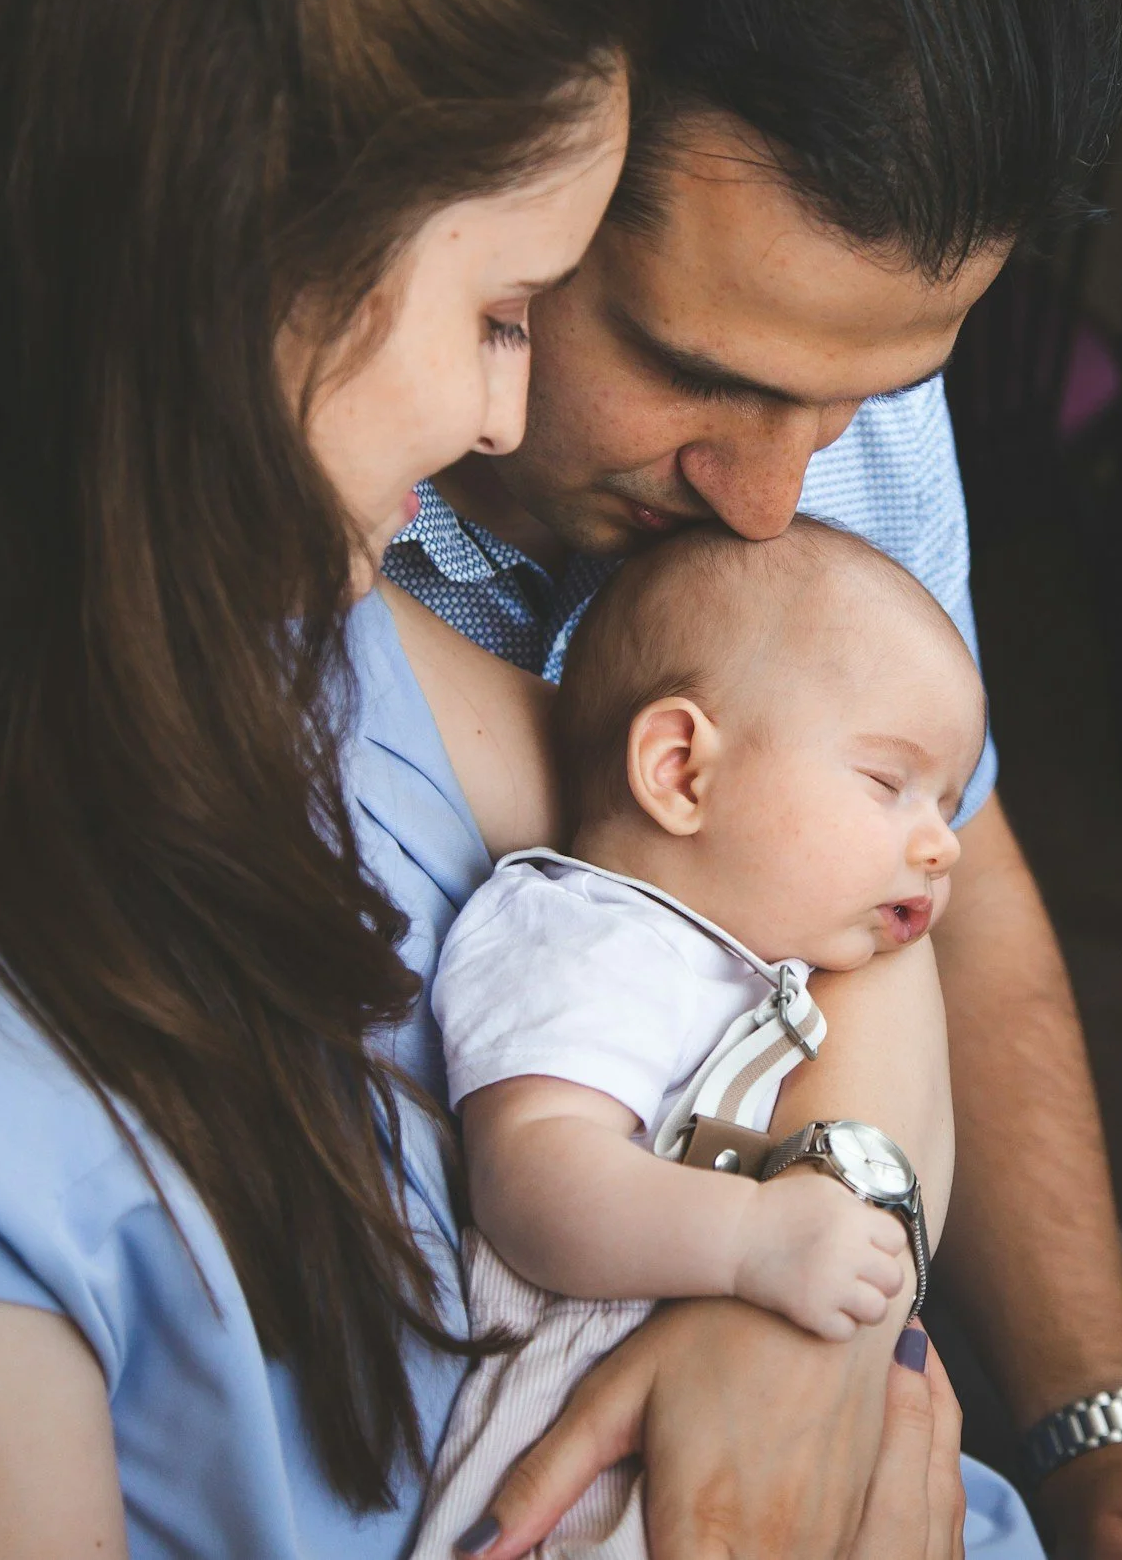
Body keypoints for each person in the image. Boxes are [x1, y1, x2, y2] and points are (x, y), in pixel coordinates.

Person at [0, 0, 977, 1556]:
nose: (499, 415)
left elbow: (831, 878)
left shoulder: (295, 647)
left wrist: (812, 1277)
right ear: (227, 283)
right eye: (499, 312)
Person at [382, 0, 1122, 1556]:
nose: (773, 498)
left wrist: (1100, 1430)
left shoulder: (836, 374)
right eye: (696, 368)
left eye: (862, 397)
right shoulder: (305, 514)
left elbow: (959, 870)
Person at [416, 518, 988, 1556]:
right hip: (582, 1452)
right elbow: (532, 1176)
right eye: (886, 783)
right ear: (681, 770)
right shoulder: (591, 932)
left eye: (946, 805)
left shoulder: (749, 963)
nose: (942, 845)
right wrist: (751, 1237)